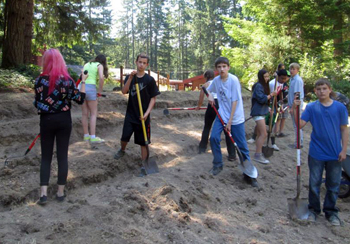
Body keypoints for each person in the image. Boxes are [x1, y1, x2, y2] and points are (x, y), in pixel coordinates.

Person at [34, 48, 87, 205]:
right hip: (64, 120)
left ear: (46, 62)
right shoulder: (67, 80)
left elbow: (36, 103)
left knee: (46, 157)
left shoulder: (39, 80)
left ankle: (43, 194)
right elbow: (80, 99)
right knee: (62, 156)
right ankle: (60, 192)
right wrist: (82, 81)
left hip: (46, 120)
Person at [297, 78, 348, 226]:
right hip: (316, 153)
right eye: (318, 89)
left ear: (330, 90)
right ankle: (313, 210)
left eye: (324, 88)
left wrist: (344, 149)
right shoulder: (312, 108)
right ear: (315, 91)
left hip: (335, 152)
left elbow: (344, 129)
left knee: (333, 185)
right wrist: (295, 109)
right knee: (314, 183)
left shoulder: (339, 108)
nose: (321, 91)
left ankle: (331, 212)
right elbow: (299, 125)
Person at [206, 57, 258, 187]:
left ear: (228, 67)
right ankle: (218, 164)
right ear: (216, 69)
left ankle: (249, 174)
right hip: (222, 115)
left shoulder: (233, 80)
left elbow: (235, 101)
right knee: (213, 138)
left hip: (235, 118)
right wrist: (210, 95)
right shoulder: (216, 80)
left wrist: (229, 122)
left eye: (224, 66)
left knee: (242, 146)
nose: (221, 69)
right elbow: (206, 88)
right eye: (219, 67)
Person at [114, 53, 160, 174]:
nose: (141, 65)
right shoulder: (131, 77)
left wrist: (147, 114)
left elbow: (153, 98)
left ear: (147, 65)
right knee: (124, 137)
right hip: (131, 115)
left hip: (143, 117)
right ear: (136, 62)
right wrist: (129, 78)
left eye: (144, 63)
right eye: (140, 62)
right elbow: (124, 91)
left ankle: (144, 166)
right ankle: (122, 150)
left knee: (143, 142)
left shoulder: (149, 80)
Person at [196, 70, 236, 161]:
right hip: (222, 105)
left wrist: (198, 106)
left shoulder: (205, 85)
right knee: (226, 129)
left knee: (207, 127)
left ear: (206, 77)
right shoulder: (219, 82)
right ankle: (232, 154)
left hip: (212, 105)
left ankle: (202, 148)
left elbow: (201, 97)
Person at [80, 54, 109, 143]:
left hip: (82, 87)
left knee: (85, 114)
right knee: (93, 113)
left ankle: (86, 136)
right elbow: (101, 77)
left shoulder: (87, 64)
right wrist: (99, 91)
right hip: (91, 88)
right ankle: (93, 137)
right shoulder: (99, 65)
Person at [250, 69, 276, 164]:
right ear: (261, 77)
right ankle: (258, 155)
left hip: (261, 112)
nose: (267, 78)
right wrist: (271, 95)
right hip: (258, 113)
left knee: (260, 134)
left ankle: (258, 152)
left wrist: (268, 108)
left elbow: (262, 101)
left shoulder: (263, 86)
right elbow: (261, 99)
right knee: (263, 134)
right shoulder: (258, 86)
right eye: (265, 77)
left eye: (268, 76)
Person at [268, 69, 290, 150]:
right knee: (265, 121)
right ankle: (254, 137)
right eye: (282, 78)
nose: (284, 80)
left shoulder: (281, 83)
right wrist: (276, 108)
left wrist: (281, 103)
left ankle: (273, 143)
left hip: (276, 102)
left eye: (285, 79)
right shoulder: (272, 83)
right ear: (278, 77)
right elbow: (273, 97)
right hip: (269, 103)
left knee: (273, 122)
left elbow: (280, 92)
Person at [288, 63, 304, 149]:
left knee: (297, 124)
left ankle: (298, 143)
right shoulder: (292, 79)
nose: (292, 71)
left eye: (294, 69)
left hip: (296, 106)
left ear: (297, 70)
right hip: (292, 104)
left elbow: (297, 95)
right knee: (295, 124)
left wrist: (293, 108)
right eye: (291, 69)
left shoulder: (297, 80)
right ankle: (298, 142)